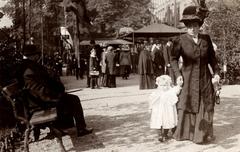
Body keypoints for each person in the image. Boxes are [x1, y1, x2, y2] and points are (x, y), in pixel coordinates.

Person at [15, 45, 93, 137]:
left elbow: (42, 85)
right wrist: (56, 95)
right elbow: (39, 90)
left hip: (35, 101)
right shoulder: (30, 70)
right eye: (37, 54)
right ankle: (80, 128)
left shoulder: (26, 67)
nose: (38, 56)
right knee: (74, 99)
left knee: (69, 98)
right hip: (39, 103)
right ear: (33, 55)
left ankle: (65, 126)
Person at [170, 3, 220, 144]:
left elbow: (213, 60)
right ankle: (187, 133)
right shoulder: (180, 40)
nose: (193, 29)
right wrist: (178, 75)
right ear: (186, 26)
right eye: (190, 26)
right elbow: (173, 59)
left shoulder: (206, 40)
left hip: (204, 79)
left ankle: (203, 135)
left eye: (196, 26)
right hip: (188, 78)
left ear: (199, 26)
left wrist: (216, 73)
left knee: (205, 104)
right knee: (188, 103)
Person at [149, 75, 181, 142]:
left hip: (167, 111)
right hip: (159, 111)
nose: (163, 87)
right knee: (158, 122)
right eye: (161, 85)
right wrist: (150, 108)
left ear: (168, 85)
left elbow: (176, 90)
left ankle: (165, 134)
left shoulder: (170, 91)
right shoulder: (156, 92)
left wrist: (179, 85)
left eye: (165, 85)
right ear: (158, 85)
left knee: (167, 122)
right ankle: (160, 134)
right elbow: (152, 100)